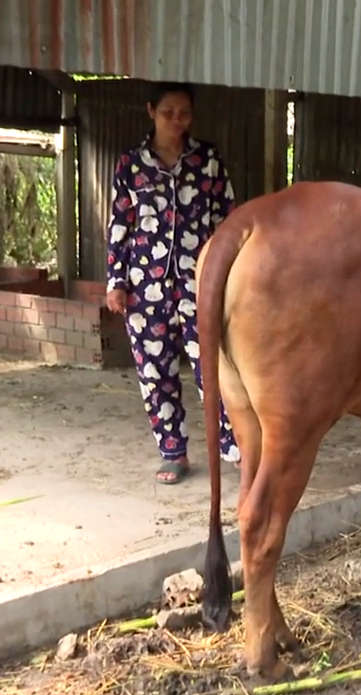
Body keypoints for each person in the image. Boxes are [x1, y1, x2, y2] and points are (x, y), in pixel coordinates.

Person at [104, 81, 241, 485]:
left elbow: (226, 219)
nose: (176, 120)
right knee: (154, 373)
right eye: (168, 112)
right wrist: (116, 281)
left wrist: (228, 275)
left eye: (184, 113)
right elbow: (119, 225)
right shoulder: (131, 165)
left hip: (199, 284)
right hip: (144, 288)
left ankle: (234, 449)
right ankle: (173, 454)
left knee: (215, 369)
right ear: (151, 111)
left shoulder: (207, 160)